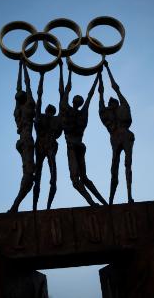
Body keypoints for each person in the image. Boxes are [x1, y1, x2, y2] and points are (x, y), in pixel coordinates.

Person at [60, 69, 108, 206]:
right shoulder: (83, 113)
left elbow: (65, 91)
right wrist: (98, 76)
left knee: (75, 180)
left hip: (72, 146)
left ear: (74, 101)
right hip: (80, 145)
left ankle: (92, 202)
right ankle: (102, 202)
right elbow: (90, 95)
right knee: (84, 177)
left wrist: (67, 70)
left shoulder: (67, 111)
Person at [98, 61, 134, 204]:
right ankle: (111, 199)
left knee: (127, 164)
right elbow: (101, 96)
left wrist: (106, 70)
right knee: (115, 167)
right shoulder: (108, 114)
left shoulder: (121, 107)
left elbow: (115, 88)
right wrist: (100, 75)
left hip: (124, 135)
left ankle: (128, 196)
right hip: (117, 138)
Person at [32, 62, 64, 210]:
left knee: (41, 177)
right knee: (50, 177)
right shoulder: (54, 119)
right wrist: (61, 69)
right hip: (46, 144)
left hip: (45, 145)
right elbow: (61, 95)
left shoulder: (49, 118)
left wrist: (42, 76)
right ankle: (45, 207)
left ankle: (39, 207)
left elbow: (39, 97)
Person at [8, 61, 36, 212]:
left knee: (29, 173)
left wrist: (20, 66)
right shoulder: (27, 107)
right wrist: (24, 67)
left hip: (21, 141)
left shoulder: (17, 110)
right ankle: (15, 206)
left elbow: (19, 87)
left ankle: (15, 205)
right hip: (27, 141)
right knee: (29, 176)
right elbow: (28, 85)